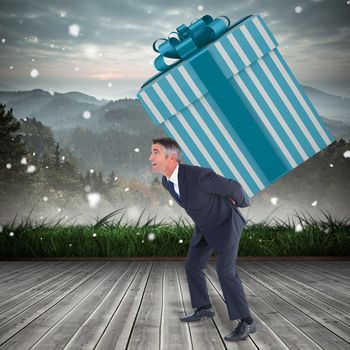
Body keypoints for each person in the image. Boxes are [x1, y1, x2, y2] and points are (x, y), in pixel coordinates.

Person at [149, 137, 257, 342]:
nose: (150, 157)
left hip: (226, 225)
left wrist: (242, 203)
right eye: (151, 152)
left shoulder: (199, 175)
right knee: (192, 266)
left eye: (155, 152)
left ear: (172, 157)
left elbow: (233, 188)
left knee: (225, 271)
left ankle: (247, 322)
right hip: (205, 228)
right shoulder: (166, 181)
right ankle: (204, 308)